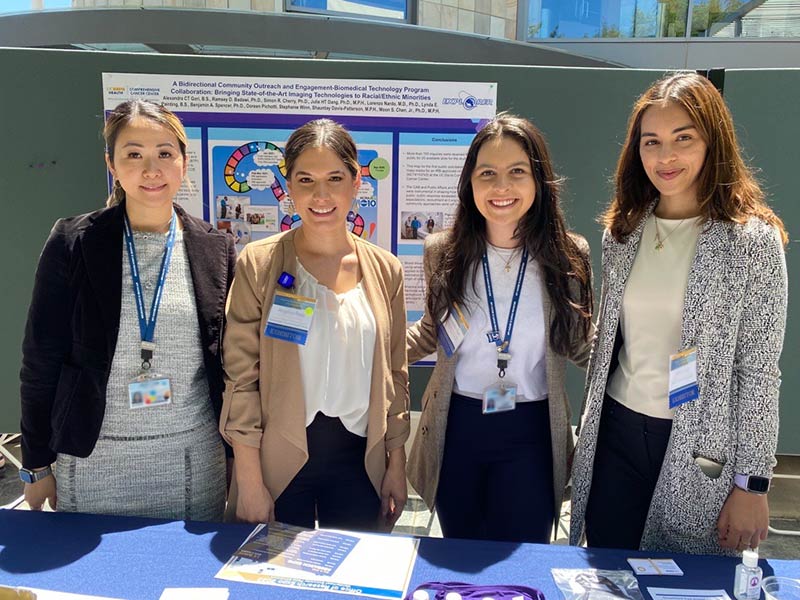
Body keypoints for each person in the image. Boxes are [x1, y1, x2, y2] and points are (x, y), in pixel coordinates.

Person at [569, 72, 788, 556]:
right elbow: (613, 341)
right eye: (652, 142)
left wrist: (752, 485)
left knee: (684, 577)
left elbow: (757, 372)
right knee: (606, 570)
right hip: (618, 433)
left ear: (714, 142)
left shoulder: (751, 242)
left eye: (683, 139)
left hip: (698, 444)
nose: (666, 157)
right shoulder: (623, 233)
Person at [19, 100, 237, 521]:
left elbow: (229, 365)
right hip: (92, 463)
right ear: (112, 164)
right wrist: (35, 464)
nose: (151, 169)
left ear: (183, 162)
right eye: (133, 154)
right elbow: (39, 361)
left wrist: (237, 459)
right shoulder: (74, 243)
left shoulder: (215, 248)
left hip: (193, 464)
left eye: (164, 153)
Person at [406, 114, 594, 543]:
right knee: (460, 557)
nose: (501, 187)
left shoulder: (569, 257)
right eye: (487, 173)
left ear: (539, 181)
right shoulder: (443, 252)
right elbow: (432, 334)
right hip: (458, 427)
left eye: (517, 172)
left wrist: (646, 360)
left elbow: (583, 345)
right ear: (470, 184)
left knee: (524, 558)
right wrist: (368, 349)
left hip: (531, 431)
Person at [220, 119, 409, 532]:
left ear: (357, 182)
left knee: (355, 588)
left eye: (335, 178)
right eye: (305, 179)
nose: (320, 195)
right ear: (288, 186)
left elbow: (396, 376)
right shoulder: (259, 263)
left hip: (361, 464)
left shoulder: (385, 270)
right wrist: (249, 481)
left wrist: (397, 463)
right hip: (279, 466)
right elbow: (242, 380)